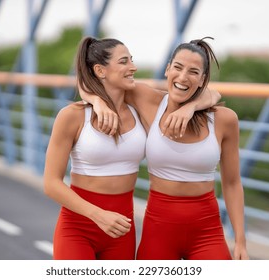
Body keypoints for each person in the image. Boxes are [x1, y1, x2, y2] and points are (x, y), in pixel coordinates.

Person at [43, 36, 220, 260]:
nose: (133, 67)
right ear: (100, 70)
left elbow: (211, 94)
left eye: (132, 60)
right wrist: (98, 215)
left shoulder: (141, 108)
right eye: (124, 62)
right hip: (79, 227)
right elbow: (51, 184)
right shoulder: (72, 116)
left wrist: (191, 107)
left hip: (121, 231)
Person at [80, 37, 249, 260]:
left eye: (193, 72)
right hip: (159, 231)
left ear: (203, 80)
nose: (183, 77)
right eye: (177, 67)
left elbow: (232, 182)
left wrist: (240, 241)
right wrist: (98, 103)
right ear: (168, 69)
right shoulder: (148, 101)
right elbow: (92, 83)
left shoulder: (224, 119)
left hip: (207, 232)